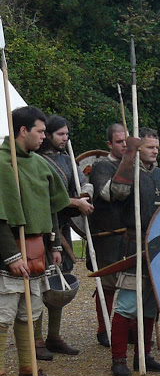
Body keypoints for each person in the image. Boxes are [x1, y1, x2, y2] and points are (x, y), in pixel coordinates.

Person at [1, 106, 71, 376]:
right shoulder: (3, 165)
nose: (44, 136)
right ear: (22, 131)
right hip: (9, 251)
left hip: (36, 251)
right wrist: (10, 255)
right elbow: (0, 215)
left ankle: (28, 370)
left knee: (28, 313)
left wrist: (53, 244)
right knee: (3, 314)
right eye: (40, 131)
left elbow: (51, 208)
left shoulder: (40, 164)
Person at [109, 128, 160, 376]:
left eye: (157, 147)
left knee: (151, 304)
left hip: (158, 247)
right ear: (139, 148)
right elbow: (117, 193)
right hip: (134, 243)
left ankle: (144, 355)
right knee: (128, 304)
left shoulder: (159, 174)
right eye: (150, 147)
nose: (155, 151)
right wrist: (128, 156)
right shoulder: (129, 171)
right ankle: (118, 359)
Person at [34, 115, 94, 358]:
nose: (65, 138)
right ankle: (36, 340)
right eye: (60, 134)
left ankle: (54, 336)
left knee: (60, 279)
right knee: (40, 281)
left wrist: (85, 193)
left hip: (62, 226)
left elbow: (82, 182)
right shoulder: (36, 160)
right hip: (42, 227)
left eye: (67, 134)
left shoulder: (67, 159)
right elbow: (47, 198)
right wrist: (76, 202)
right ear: (48, 135)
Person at [88, 123, 128, 347]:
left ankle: (129, 328)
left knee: (131, 283)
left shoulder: (137, 165)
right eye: (120, 142)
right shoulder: (102, 167)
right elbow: (109, 194)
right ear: (110, 144)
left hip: (131, 235)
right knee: (108, 284)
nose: (124, 145)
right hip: (107, 235)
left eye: (127, 141)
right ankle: (104, 328)